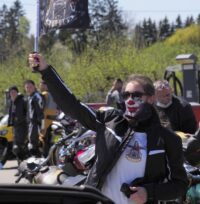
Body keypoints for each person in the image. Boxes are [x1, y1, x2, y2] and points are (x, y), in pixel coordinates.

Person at [28, 53, 188, 204]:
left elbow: (180, 186)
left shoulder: (168, 139)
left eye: (136, 95)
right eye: (126, 95)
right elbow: (73, 106)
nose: (130, 100)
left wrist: (148, 192)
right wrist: (46, 71)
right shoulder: (111, 121)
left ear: (151, 98)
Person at [8, 85, 28, 172]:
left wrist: (21, 120)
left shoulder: (22, 100)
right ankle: (20, 168)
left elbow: (27, 113)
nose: (12, 94)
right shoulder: (12, 102)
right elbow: (11, 115)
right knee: (15, 148)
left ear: (17, 92)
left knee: (20, 148)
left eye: (14, 92)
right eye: (11, 92)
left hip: (23, 127)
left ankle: (23, 168)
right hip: (15, 128)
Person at [24, 79, 45, 157]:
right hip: (32, 124)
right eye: (27, 87)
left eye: (30, 87)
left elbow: (41, 112)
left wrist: (42, 127)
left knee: (38, 143)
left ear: (34, 86)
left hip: (37, 124)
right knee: (32, 143)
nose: (28, 89)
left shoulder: (37, 96)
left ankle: (41, 160)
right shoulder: (30, 97)